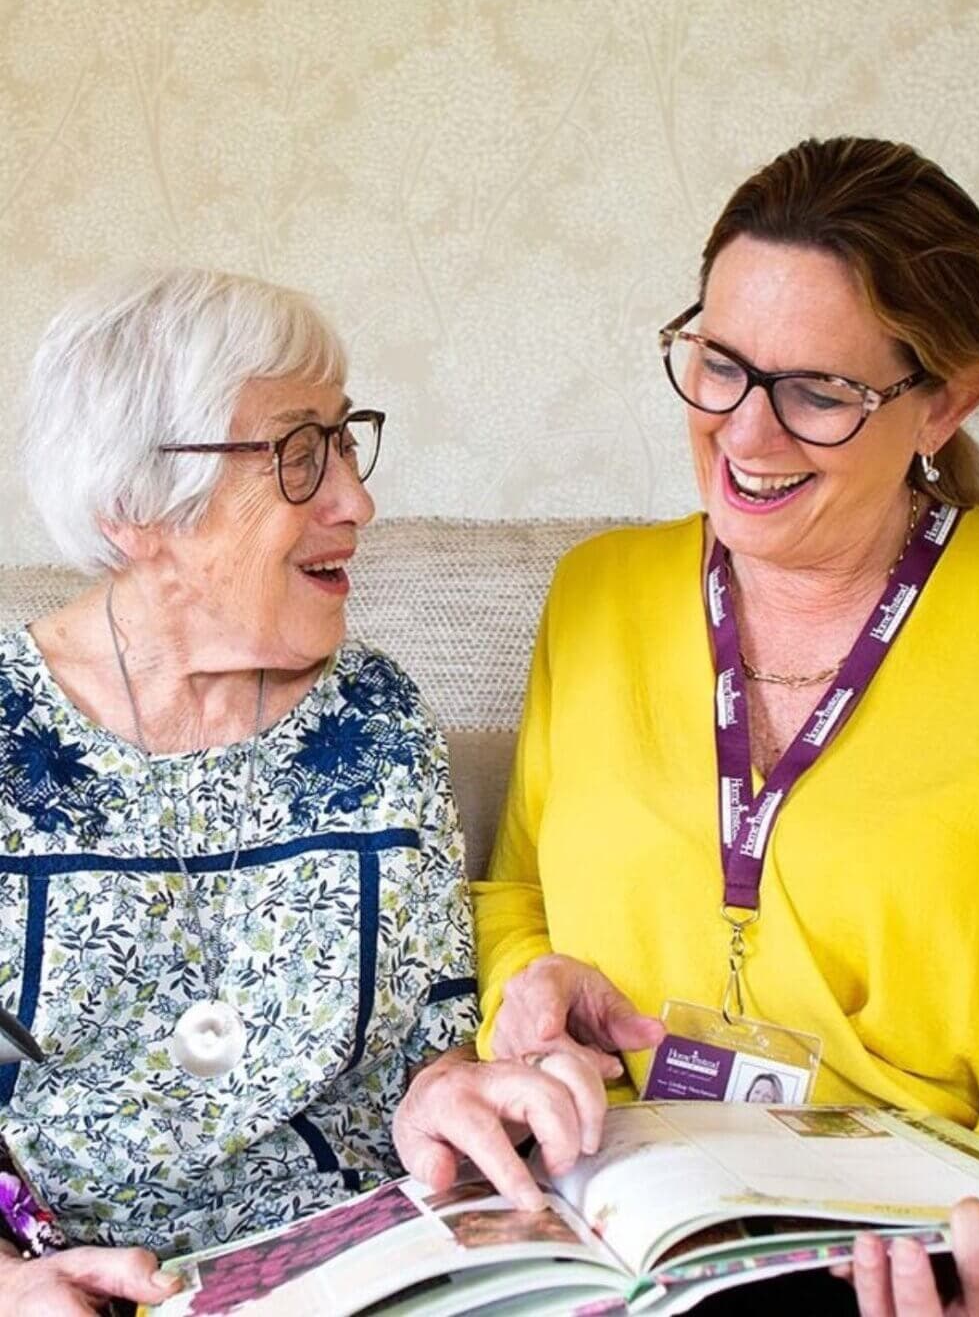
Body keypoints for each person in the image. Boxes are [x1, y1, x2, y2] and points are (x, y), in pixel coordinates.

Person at [0, 267, 601, 1315]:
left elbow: (431, 1045)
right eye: (295, 455)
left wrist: (451, 1091)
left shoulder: (368, 715)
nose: (355, 499)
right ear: (138, 507)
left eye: (341, 439)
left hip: (378, 1268)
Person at [473, 138, 979, 1315]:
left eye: (819, 392)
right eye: (718, 364)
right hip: (612, 1212)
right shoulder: (597, 591)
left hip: (901, 1245)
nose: (744, 436)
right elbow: (513, 897)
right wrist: (527, 988)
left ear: (947, 401)